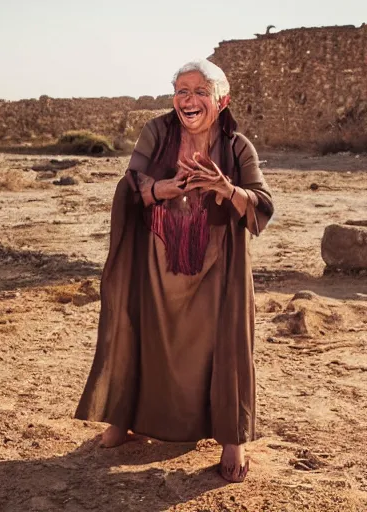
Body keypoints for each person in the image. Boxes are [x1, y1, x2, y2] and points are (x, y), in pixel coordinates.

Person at [75, 59, 274, 483]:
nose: (189, 99)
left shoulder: (238, 146)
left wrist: (225, 188)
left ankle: (231, 438)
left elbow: (262, 203)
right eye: (182, 90)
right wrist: (164, 189)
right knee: (144, 332)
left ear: (222, 100)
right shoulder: (157, 131)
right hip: (158, 254)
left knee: (223, 344)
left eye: (201, 90)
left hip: (218, 262)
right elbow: (131, 183)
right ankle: (123, 418)